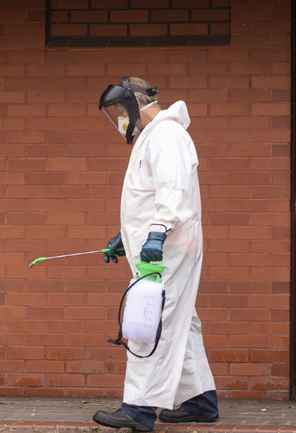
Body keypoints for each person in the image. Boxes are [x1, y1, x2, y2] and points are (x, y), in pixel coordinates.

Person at [92, 77, 218, 432]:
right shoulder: (155, 135)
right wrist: (127, 235)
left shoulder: (167, 135)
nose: (117, 119)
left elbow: (173, 191)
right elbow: (149, 195)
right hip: (163, 244)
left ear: (133, 103)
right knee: (182, 321)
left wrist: (156, 233)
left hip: (168, 248)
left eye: (117, 111)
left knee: (150, 321)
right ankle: (200, 400)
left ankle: (138, 409)